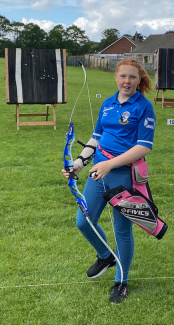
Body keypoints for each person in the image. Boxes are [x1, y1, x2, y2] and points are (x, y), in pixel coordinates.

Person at [62, 57, 156, 304]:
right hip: (98, 172)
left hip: (124, 175)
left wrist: (110, 164)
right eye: (123, 76)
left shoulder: (143, 107)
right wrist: (79, 163)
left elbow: (144, 146)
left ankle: (121, 282)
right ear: (116, 77)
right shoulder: (107, 104)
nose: (127, 81)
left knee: (122, 230)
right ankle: (106, 255)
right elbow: (97, 137)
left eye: (132, 77)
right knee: (84, 221)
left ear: (139, 80)